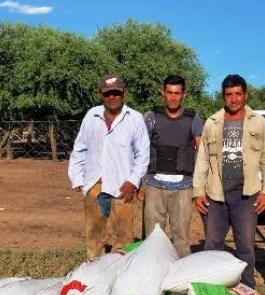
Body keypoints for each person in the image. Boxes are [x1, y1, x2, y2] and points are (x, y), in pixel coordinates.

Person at [193, 74, 265, 288]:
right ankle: (212, 288)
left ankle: (247, 289)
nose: (234, 99)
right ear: (223, 96)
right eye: (229, 94)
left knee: (245, 246)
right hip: (216, 194)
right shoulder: (212, 122)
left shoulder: (258, 122)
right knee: (212, 244)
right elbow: (203, 159)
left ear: (245, 95)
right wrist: (198, 191)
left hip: (246, 195)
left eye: (238, 94)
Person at [68, 74, 150, 256]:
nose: (112, 97)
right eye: (107, 93)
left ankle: (120, 270)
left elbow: (143, 155)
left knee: (124, 236)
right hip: (94, 185)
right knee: (94, 234)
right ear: (101, 94)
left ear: (124, 93)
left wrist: (133, 182)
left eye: (116, 93)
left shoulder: (135, 118)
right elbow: (80, 147)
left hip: (122, 188)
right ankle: (94, 268)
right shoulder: (91, 115)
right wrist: (77, 177)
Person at [138, 75, 204, 257]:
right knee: (152, 239)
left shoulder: (193, 118)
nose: (173, 97)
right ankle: (152, 272)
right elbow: (141, 150)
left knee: (181, 240)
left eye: (177, 93)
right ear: (163, 93)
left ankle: (181, 273)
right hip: (154, 185)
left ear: (184, 94)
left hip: (183, 188)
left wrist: (200, 186)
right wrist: (141, 183)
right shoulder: (151, 117)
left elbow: (202, 152)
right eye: (169, 92)